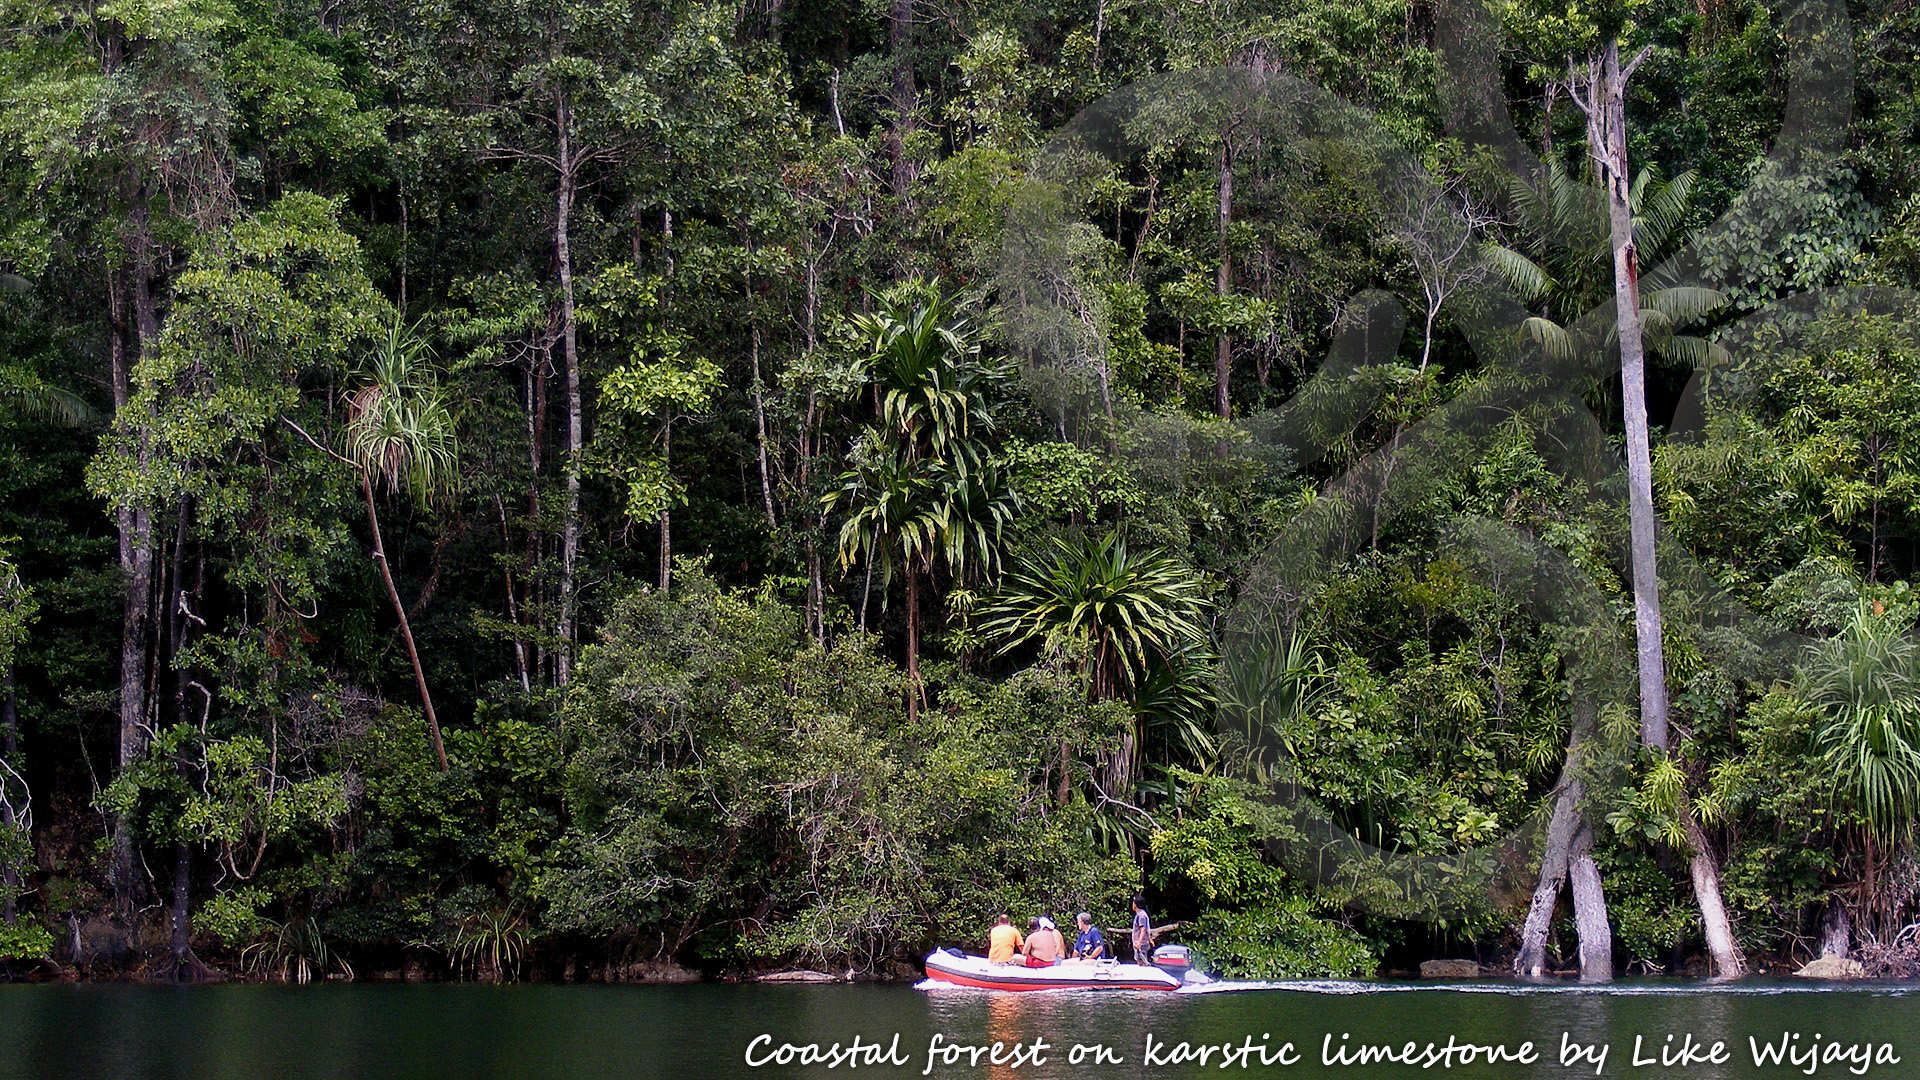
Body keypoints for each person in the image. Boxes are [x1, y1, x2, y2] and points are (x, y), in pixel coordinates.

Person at [1130, 896, 1152, 961]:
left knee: (1142, 964)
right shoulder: (1139, 914)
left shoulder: (1141, 915)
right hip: (1140, 944)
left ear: (1136, 904)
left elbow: (1143, 929)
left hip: (1141, 945)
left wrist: (1139, 943)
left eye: (1133, 903)